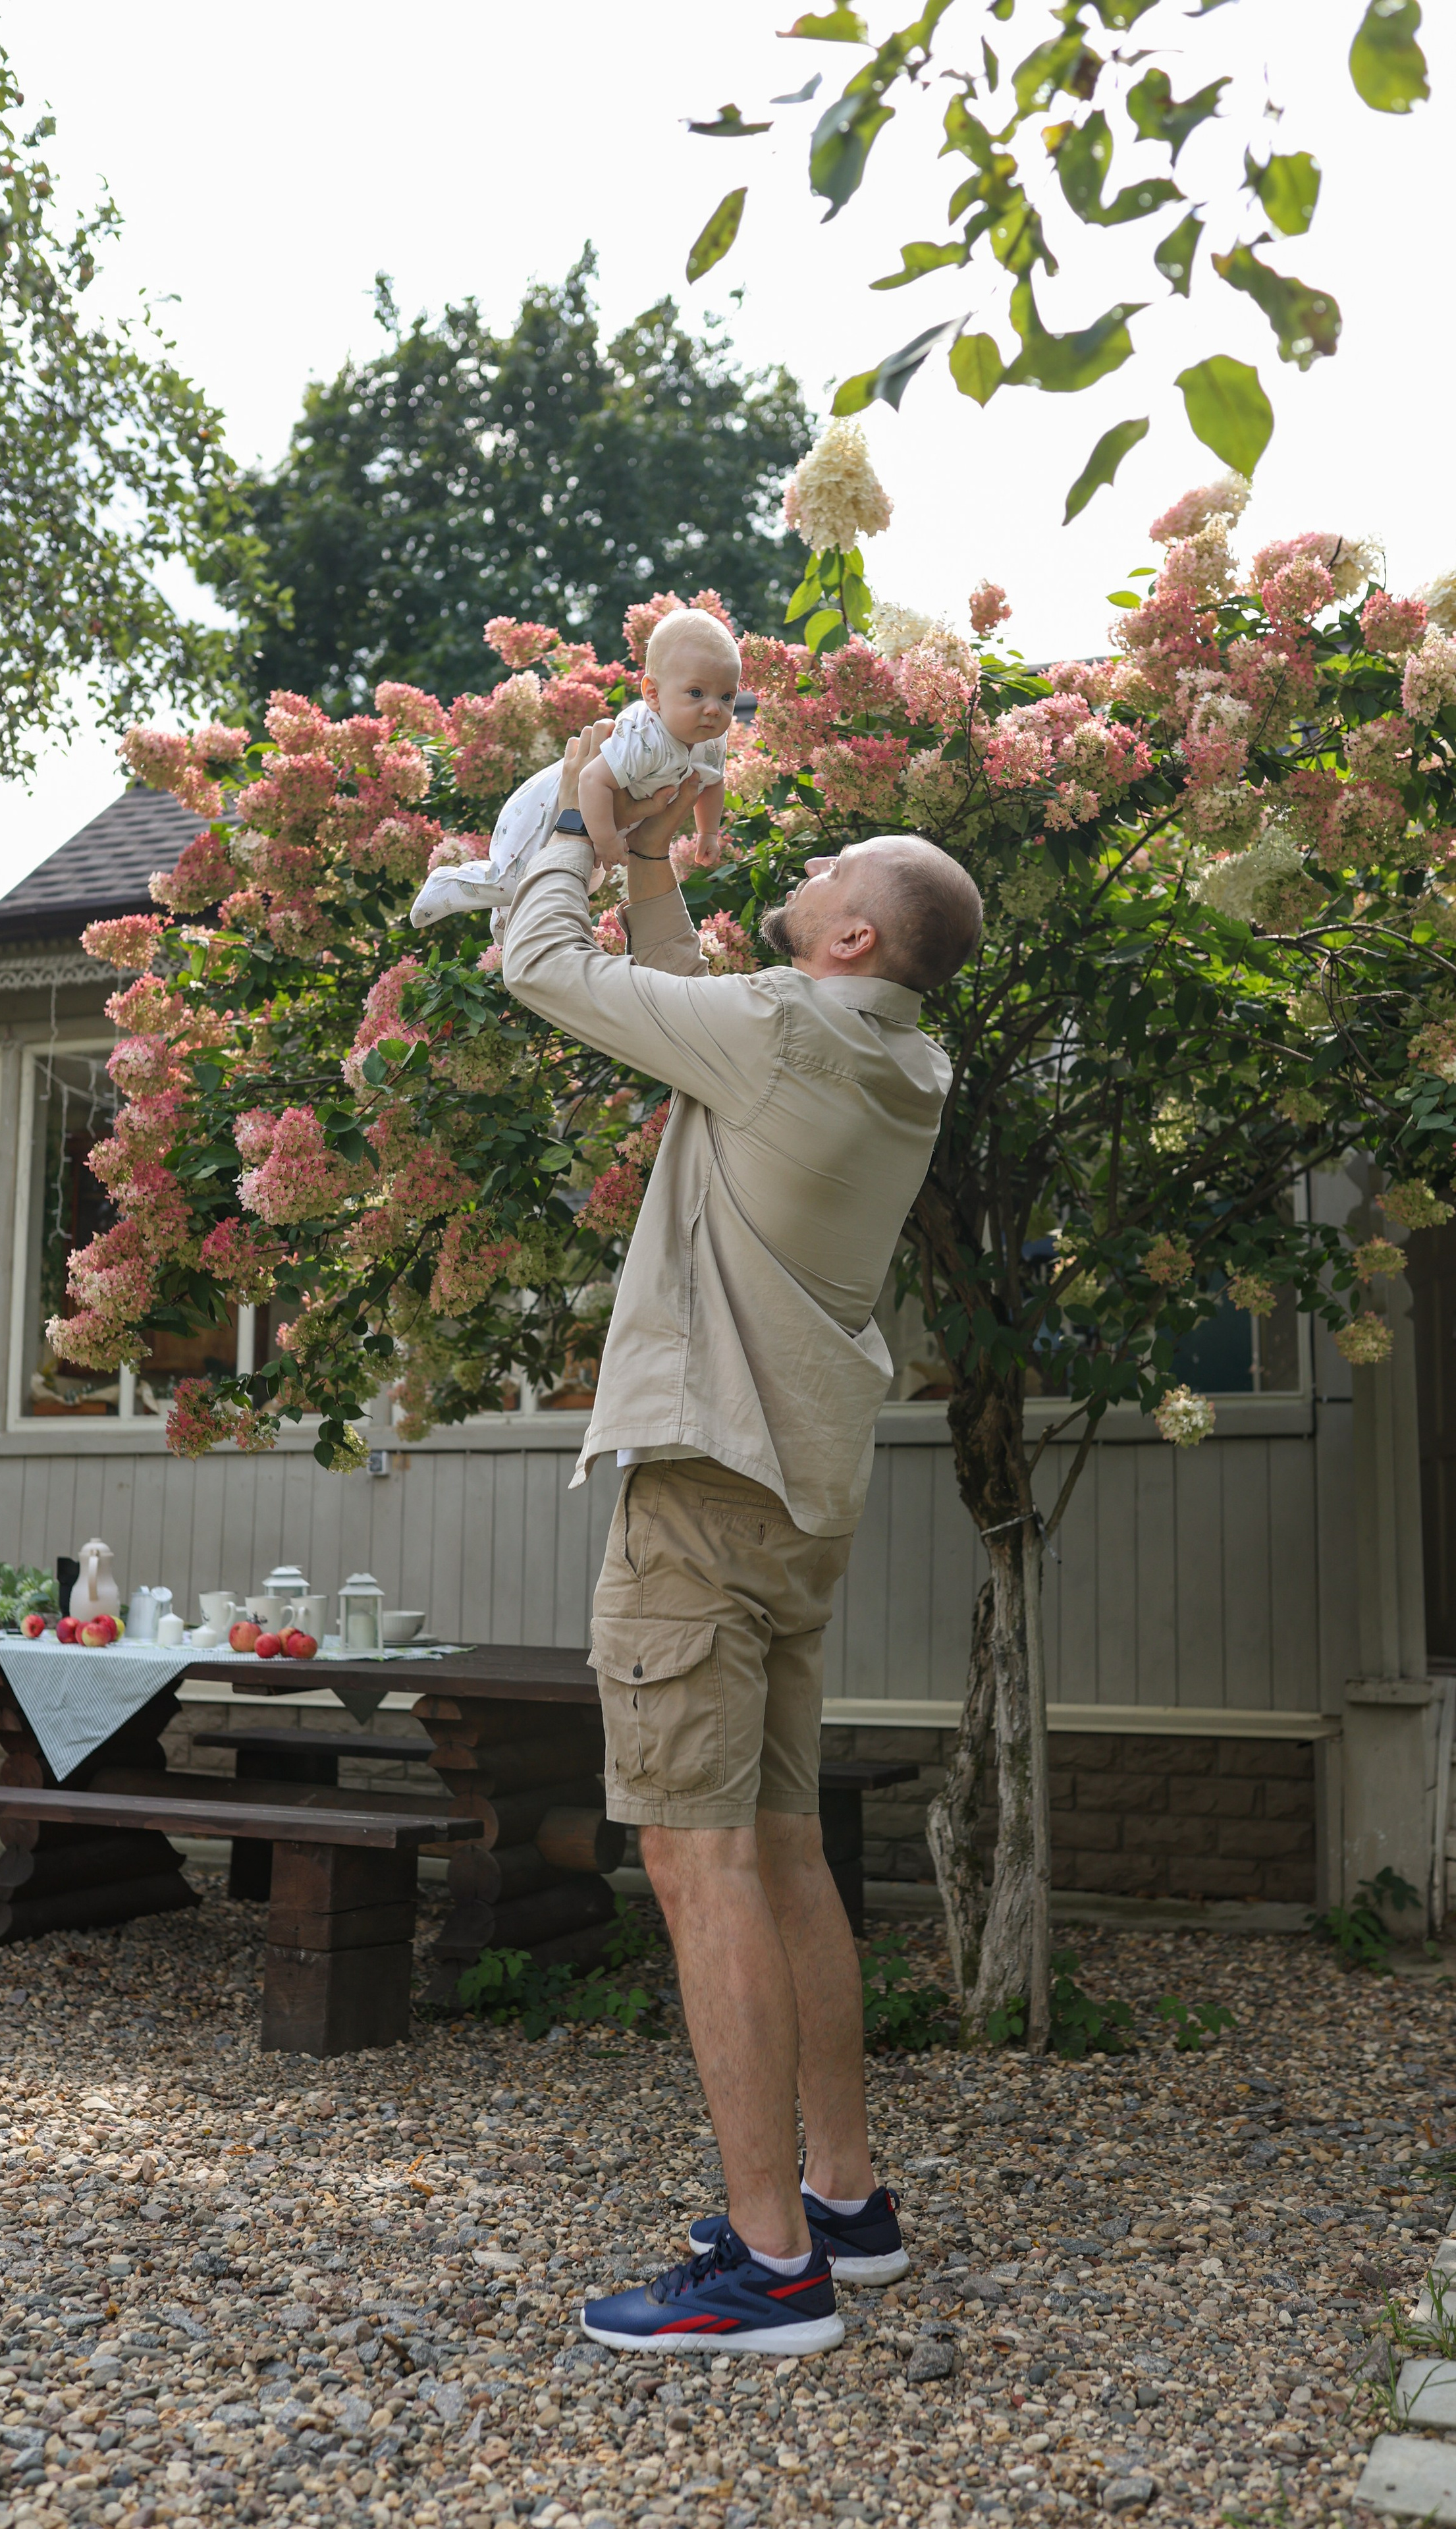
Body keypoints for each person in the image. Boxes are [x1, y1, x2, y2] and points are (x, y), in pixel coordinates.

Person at [501, 722, 983, 2358]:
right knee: (778, 1847)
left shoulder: (781, 1039)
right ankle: (841, 2198)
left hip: (703, 1501)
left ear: (849, 936)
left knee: (693, 1858)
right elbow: (682, 1018)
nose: (809, 866)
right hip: (790, 1501)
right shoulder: (889, 1057)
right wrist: (654, 862)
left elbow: (541, 965)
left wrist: (575, 821)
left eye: (832, 874)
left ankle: (768, 2267)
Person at [408, 606, 736, 932]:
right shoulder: (644, 737)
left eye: (726, 696)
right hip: (552, 808)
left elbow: (712, 784)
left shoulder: (710, 741)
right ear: (653, 694)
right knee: (517, 879)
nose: (713, 709)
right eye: (696, 693)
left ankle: (506, 934)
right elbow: (592, 780)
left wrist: (708, 833)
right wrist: (606, 840)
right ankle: (447, 883)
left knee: (576, 884)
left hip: (604, 819)